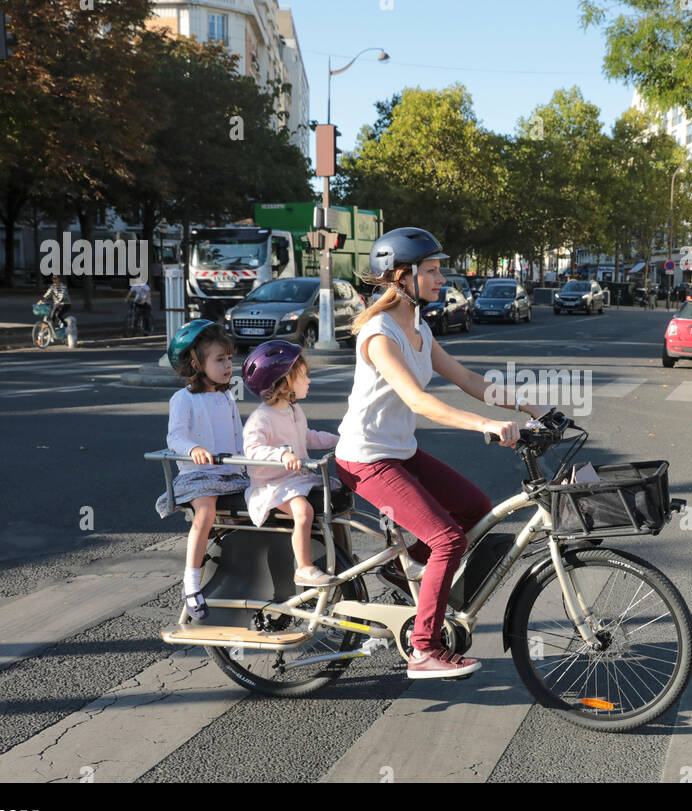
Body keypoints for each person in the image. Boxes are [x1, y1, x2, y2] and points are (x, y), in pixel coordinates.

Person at [335, 227, 546, 679]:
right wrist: (486, 425)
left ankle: (406, 568)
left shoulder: (419, 328)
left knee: (475, 507)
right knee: (447, 539)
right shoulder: (380, 334)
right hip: (365, 459)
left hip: (399, 452)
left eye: (438, 269)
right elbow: (418, 401)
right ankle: (424, 648)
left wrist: (526, 403)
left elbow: (467, 379)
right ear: (400, 277)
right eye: (430, 271)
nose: (440, 278)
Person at [155, 321, 248, 620]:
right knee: (205, 512)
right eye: (219, 359)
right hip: (197, 476)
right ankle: (191, 584)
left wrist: (257, 461)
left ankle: (245, 572)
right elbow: (175, 437)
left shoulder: (226, 396)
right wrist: (193, 449)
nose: (227, 365)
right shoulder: (183, 399)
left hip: (230, 474)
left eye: (229, 358)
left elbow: (239, 436)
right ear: (196, 363)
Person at [242, 342, 341, 586]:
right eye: (303, 376)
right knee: (303, 511)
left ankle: (337, 555)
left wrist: (341, 441)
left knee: (337, 497)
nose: (308, 380)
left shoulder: (294, 409)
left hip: (295, 479)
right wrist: (282, 456)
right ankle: (304, 568)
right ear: (284, 383)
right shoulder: (261, 417)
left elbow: (307, 437)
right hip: (271, 485)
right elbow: (251, 449)